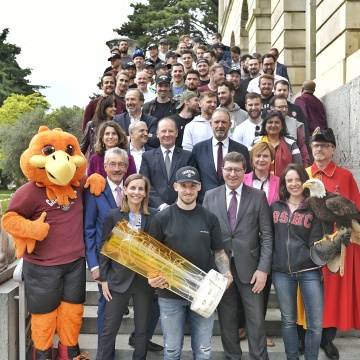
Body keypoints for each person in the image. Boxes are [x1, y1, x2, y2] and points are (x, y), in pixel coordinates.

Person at [148, 166, 232, 360]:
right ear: (176, 186)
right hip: (170, 293)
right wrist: (152, 277)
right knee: (172, 350)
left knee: (203, 351)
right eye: (184, 186)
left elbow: (218, 251)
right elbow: (152, 255)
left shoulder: (209, 218)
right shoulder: (162, 218)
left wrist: (227, 273)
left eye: (192, 186)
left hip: (203, 293)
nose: (188, 190)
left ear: (199, 187)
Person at [203, 151, 273, 360]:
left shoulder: (258, 196)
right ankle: (233, 357)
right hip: (221, 271)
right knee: (227, 320)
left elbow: (267, 236)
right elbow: (205, 236)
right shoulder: (210, 196)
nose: (232, 174)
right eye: (228, 169)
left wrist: (263, 270)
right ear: (222, 170)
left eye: (237, 169)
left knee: (256, 322)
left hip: (251, 269)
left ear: (245, 171)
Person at [298, 128, 360, 360]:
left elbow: (355, 213)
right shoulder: (303, 174)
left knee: (332, 293)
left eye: (324, 145)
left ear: (333, 149)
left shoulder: (345, 176)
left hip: (338, 245)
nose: (319, 149)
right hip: (307, 244)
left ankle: (327, 339)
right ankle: (304, 337)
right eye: (315, 145)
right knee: (304, 292)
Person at [96, 173, 158, 360]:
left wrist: (156, 277)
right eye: (132, 188)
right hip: (118, 280)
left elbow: (158, 250)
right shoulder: (114, 215)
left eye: (141, 188)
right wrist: (103, 279)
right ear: (125, 190)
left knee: (142, 331)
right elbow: (104, 248)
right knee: (109, 328)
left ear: (146, 192)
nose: (136, 192)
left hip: (144, 282)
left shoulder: (154, 216)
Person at [271, 163, 325, 360]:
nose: (294, 184)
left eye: (297, 179)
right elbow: (268, 238)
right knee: (288, 321)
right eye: (289, 180)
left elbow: (316, 242)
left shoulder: (313, 209)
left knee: (315, 324)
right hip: (281, 272)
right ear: (284, 183)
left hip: (310, 271)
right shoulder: (275, 207)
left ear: (304, 181)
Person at [84, 147, 129, 354]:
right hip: (106, 263)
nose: (117, 168)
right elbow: (89, 230)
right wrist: (93, 265)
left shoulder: (134, 189)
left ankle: (140, 340)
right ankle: (105, 354)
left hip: (133, 260)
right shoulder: (95, 192)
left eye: (121, 164)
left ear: (127, 167)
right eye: (113, 164)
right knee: (106, 309)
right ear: (105, 167)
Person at [242, 141, 280, 347]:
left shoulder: (279, 182)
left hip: (267, 239)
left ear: (271, 159)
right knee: (242, 282)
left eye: (266, 156)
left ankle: (258, 332)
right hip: (245, 238)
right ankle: (242, 327)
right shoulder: (243, 178)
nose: (261, 160)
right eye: (258, 156)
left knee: (262, 289)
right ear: (252, 159)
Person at [192, 108, 250, 204]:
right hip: (205, 202)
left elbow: (246, 176)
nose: (220, 125)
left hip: (234, 202)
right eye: (217, 122)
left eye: (224, 122)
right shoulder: (198, 149)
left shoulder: (242, 150)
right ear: (211, 124)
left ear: (230, 125)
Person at [140, 118, 195, 210]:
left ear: (176, 133)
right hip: (154, 210)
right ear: (157, 133)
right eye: (163, 131)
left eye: (171, 131)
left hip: (181, 209)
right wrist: (162, 206)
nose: (167, 134)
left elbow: (189, 182)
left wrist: (177, 205)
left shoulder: (188, 156)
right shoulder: (147, 157)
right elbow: (145, 183)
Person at [251, 112, 302, 176]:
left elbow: (298, 168)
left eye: (277, 122)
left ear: (282, 126)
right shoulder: (256, 142)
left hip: (284, 184)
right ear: (265, 125)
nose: (273, 125)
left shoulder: (291, 144)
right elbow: (249, 165)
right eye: (270, 122)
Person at [269, 95, 310, 167]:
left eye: (286, 107)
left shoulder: (295, 123)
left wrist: (305, 166)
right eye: (281, 107)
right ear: (272, 108)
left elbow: (302, 147)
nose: (284, 109)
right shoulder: (265, 124)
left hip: (291, 165)